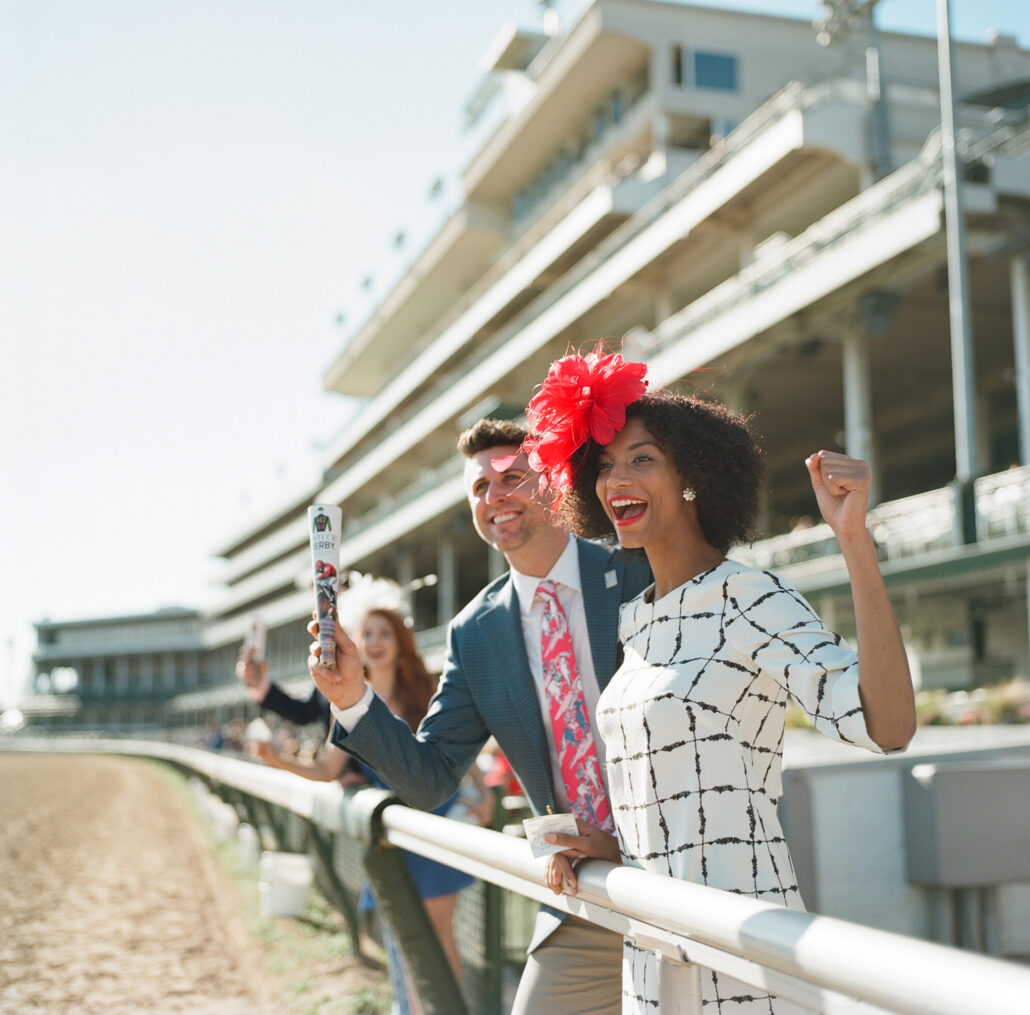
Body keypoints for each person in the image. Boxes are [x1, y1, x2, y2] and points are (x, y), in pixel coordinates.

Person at [522, 348, 916, 1014]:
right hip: (652, 950)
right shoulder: (635, 620)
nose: (618, 477)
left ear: (693, 477)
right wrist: (612, 846)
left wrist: (855, 540)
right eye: (607, 463)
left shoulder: (747, 594)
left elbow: (889, 726)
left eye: (643, 458)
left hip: (743, 943)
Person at [308, 417, 653, 1015]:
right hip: (581, 893)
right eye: (478, 489)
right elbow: (430, 775)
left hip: (677, 873)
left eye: (512, 478)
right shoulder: (476, 631)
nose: (493, 497)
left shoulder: (637, 570)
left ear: (551, 481)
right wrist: (352, 698)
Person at [254, 593, 490, 1011]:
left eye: (386, 632)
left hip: (433, 829)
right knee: (401, 938)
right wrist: (278, 760)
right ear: (356, 644)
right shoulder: (343, 700)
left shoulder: (423, 692)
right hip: (388, 839)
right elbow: (328, 768)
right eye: (368, 633)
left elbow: (454, 753)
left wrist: (484, 793)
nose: (376, 640)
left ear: (400, 642)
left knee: (437, 938)